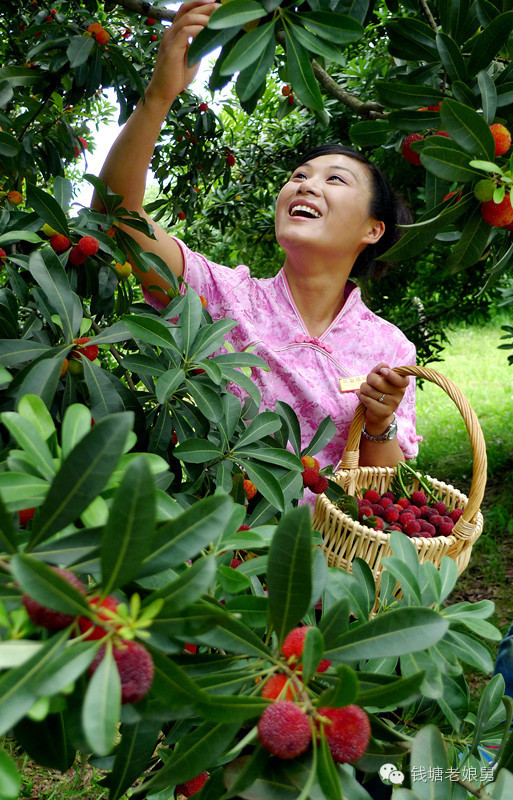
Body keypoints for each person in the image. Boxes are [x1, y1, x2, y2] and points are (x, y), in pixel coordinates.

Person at [93, 0, 419, 474]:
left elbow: (379, 496)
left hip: (323, 548)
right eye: (299, 175)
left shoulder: (389, 349)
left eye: (334, 180)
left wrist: (380, 422)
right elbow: (117, 218)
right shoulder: (221, 299)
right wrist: (157, 98)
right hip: (212, 543)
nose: (305, 184)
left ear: (372, 230)